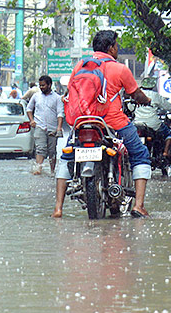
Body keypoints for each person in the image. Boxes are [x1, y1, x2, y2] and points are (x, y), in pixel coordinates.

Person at [54, 30, 153, 218]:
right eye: (116, 45)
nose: (117, 49)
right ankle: (139, 205)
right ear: (110, 48)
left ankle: (58, 208)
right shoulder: (120, 69)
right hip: (113, 124)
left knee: (66, 158)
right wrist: (146, 100)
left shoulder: (80, 65)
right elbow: (135, 93)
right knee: (140, 154)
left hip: (83, 124)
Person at [132, 75, 171, 164]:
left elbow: (130, 107)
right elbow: (167, 106)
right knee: (169, 133)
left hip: (137, 124)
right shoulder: (155, 96)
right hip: (153, 125)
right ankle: (165, 152)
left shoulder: (136, 95)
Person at [26, 74, 63, 174]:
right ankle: (38, 169)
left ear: (49, 85)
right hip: (39, 126)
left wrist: (59, 127)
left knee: (52, 151)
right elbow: (29, 109)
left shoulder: (57, 98)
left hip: (52, 128)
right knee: (40, 149)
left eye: (43, 85)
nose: (41, 87)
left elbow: (60, 113)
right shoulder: (36, 96)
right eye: (40, 85)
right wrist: (31, 120)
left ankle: (52, 171)